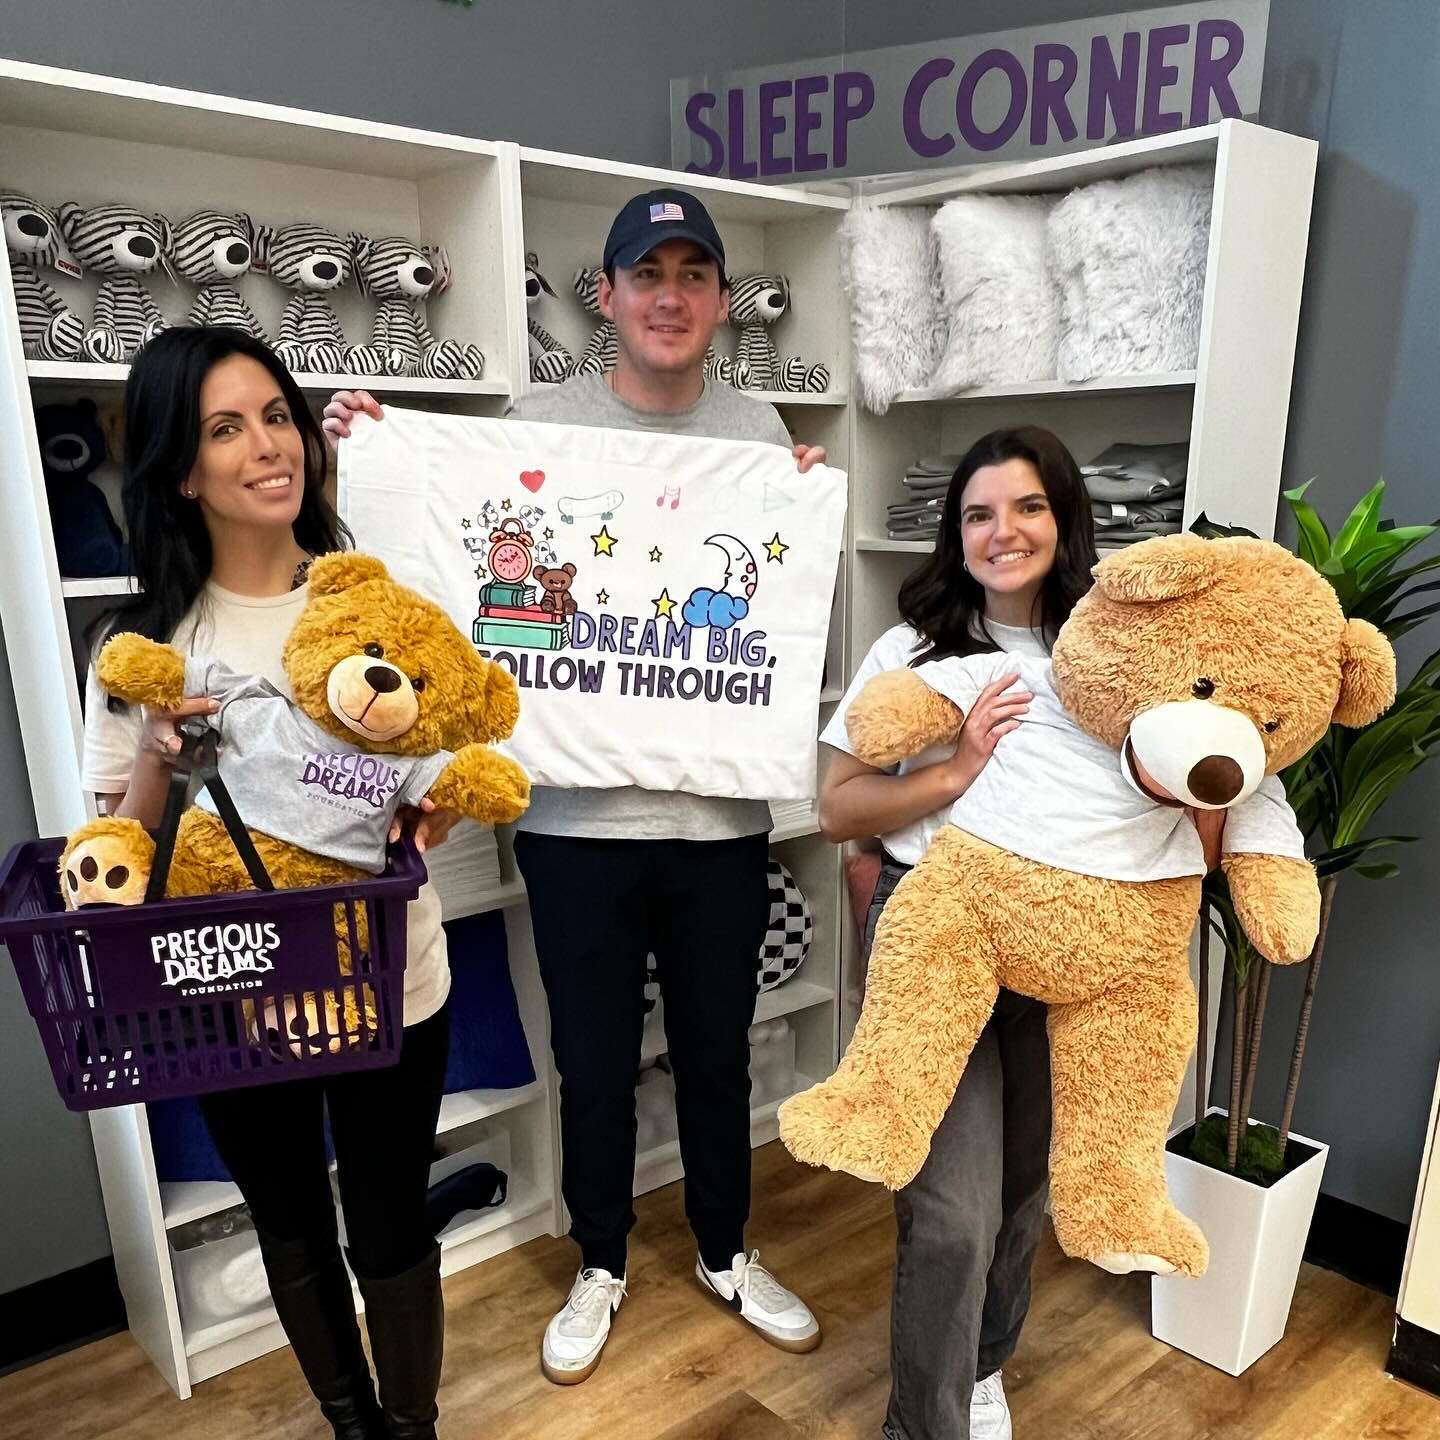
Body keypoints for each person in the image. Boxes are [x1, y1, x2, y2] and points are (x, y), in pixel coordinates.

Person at [323, 187, 829, 1386]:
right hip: (571, 822)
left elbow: (772, 591)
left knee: (715, 1050)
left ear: (716, 298)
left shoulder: (760, 432)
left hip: (717, 822)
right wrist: (377, 446)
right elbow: (445, 540)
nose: (670, 295)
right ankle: (601, 1255)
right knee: (594, 1057)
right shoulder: (534, 420)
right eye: (645, 274)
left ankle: (723, 1245)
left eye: (693, 274)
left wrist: (798, 507)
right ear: (605, 296)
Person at [81, 326, 461, 1440]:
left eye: (276, 416)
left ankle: (413, 1428)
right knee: (289, 1220)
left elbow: (432, 759)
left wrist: (421, 808)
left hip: (391, 981)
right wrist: (156, 753)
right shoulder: (141, 646)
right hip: (233, 1003)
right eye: (224, 428)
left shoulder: (370, 608)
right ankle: (350, 1422)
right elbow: (112, 868)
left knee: (388, 1226)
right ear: (181, 468)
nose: (265, 447)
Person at [819, 427, 1089, 1440]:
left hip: (1060, 947)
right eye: (979, 513)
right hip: (938, 940)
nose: (1002, 531)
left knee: (1024, 1200)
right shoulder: (913, 655)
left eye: (1027, 507)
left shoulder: (1099, 657)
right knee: (950, 1215)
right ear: (955, 532)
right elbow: (839, 808)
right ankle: (920, 1427)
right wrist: (955, 769)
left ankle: (981, 1365)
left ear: (1064, 521)